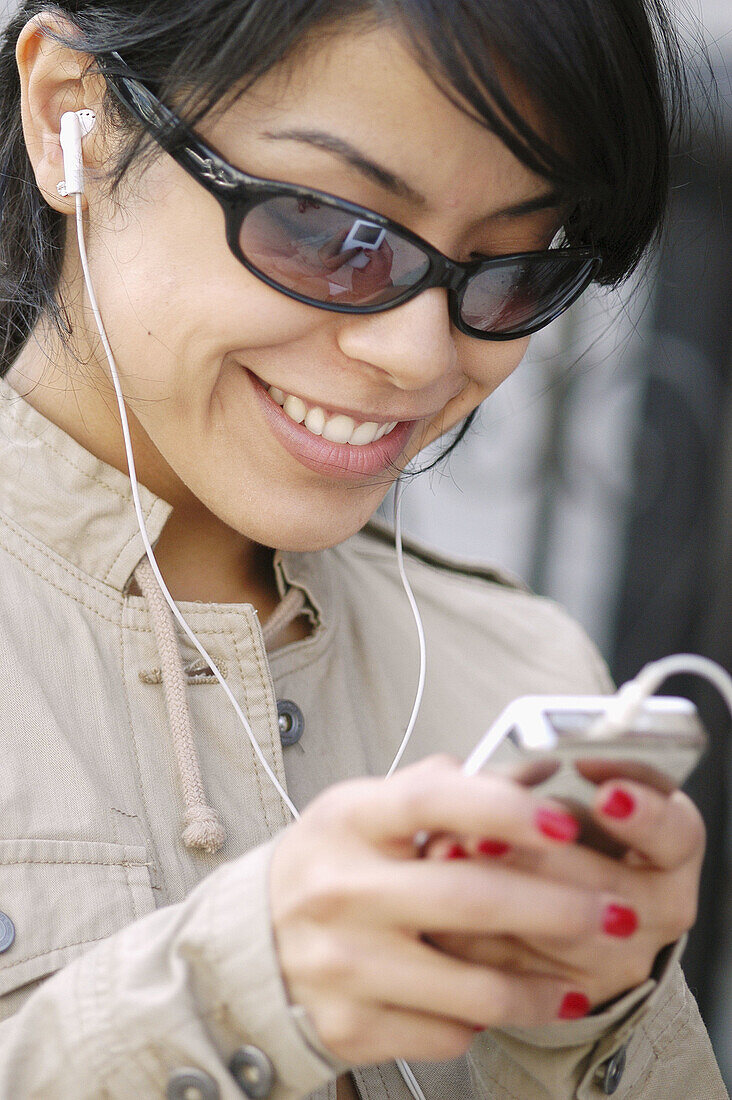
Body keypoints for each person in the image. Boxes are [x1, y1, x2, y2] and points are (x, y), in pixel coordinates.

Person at [0, 1, 726, 1098]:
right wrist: (227, 997)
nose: (418, 353)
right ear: (76, 115)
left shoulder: (518, 676)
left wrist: (583, 1023)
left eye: (515, 270)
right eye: (328, 229)